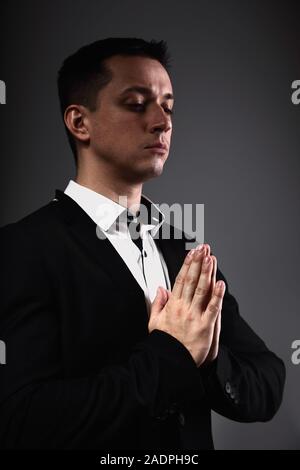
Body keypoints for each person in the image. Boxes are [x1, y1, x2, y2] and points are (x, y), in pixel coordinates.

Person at [0, 37, 285, 450]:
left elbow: (268, 382)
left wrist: (204, 360)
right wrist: (173, 355)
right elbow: (20, 422)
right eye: (137, 104)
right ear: (80, 123)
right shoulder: (21, 249)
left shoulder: (183, 250)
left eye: (168, 106)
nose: (162, 122)